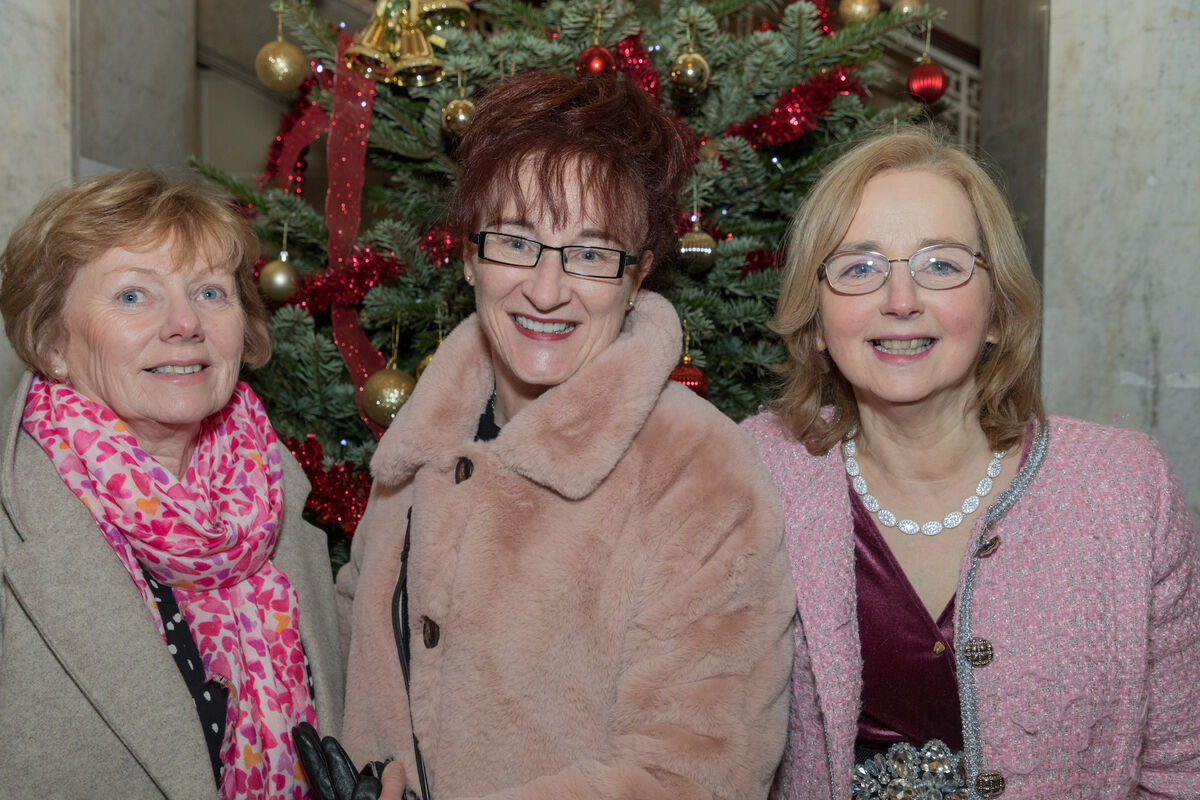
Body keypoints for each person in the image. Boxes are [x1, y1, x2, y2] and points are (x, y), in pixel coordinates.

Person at [333, 71, 795, 800]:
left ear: (637, 275)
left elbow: (697, 772)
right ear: (468, 257)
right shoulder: (424, 439)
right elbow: (355, 656)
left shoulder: (699, 471)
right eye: (515, 243)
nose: (547, 291)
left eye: (590, 253)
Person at [741, 127, 1200, 799]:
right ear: (815, 321)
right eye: (860, 267)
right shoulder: (750, 474)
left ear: (996, 310)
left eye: (942, 264)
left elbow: (1180, 772)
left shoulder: (1127, 491)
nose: (901, 301)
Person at [0, 169, 344, 799]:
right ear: (52, 341)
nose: (185, 323)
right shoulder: (15, 516)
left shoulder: (274, 493)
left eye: (211, 293)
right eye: (134, 296)